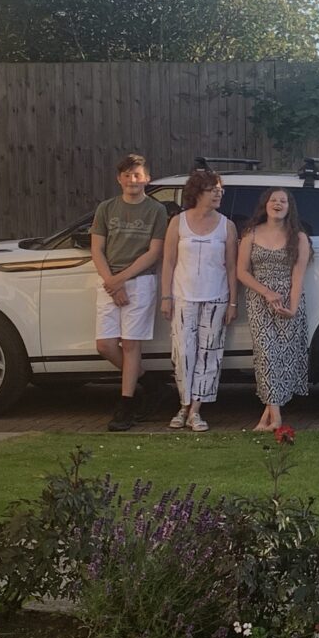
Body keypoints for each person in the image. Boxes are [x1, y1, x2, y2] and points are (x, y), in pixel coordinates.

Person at [90, 153, 168, 432]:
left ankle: (126, 405)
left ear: (146, 178)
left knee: (132, 344)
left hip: (140, 281)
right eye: (126, 175)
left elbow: (154, 252)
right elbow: (97, 249)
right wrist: (112, 282)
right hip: (110, 280)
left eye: (137, 175)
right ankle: (149, 380)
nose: (132, 180)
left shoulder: (156, 211)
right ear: (118, 179)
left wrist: (121, 280)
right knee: (105, 345)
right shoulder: (106, 209)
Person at [159, 168, 239, 432]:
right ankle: (182, 404)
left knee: (209, 356)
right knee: (183, 353)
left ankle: (195, 410)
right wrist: (166, 296)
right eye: (212, 189)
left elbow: (231, 267)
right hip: (183, 297)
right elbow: (168, 262)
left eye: (220, 189)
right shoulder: (178, 222)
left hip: (216, 299)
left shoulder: (227, 225)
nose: (218, 193)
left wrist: (232, 303)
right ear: (197, 192)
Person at [236, 186, 312, 432]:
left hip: (288, 302)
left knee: (283, 358)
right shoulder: (251, 233)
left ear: (290, 208)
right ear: (265, 205)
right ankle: (276, 418)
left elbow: (299, 275)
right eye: (274, 200)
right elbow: (241, 272)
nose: (278, 203)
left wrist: (291, 307)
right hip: (260, 301)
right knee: (266, 354)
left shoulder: (298, 237)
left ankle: (267, 416)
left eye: (283, 201)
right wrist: (267, 292)